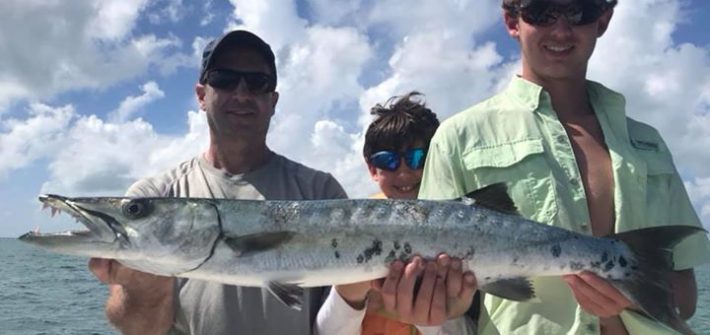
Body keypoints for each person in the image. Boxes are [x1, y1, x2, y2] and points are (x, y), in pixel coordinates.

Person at [418, 0, 710, 334]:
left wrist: (629, 300)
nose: (560, 30)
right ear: (512, 21)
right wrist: (438, 304)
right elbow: (441, 295)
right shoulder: (458, 137)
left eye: (579, 12)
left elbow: (684, 299)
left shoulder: (648, 142)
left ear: (602, 20)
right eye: (541, 12)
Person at [88, 30, 348, 335]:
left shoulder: (321, 192)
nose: (241, 93)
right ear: (201, 95)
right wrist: (143, 286)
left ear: (273, 100)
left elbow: (344, 316)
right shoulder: (154, 196)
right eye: (224, 79)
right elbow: (139, 329)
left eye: (257, 82)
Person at [316, 92, 478, 335]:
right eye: (388, 160)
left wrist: (431, 317)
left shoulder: (471, 228)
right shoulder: (351, 231)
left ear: (437, 160)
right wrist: (348, 295)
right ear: (372, 169)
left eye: (417, 158)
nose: (403, 172)